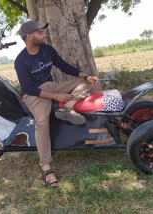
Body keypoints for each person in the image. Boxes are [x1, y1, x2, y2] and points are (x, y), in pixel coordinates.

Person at [14, 21, 99, 188]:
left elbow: (64, 66)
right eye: (40, 33)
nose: (44, 35)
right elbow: (28, 88)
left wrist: (86, 76)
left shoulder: (47, 50)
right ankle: (46, 165)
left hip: (51, 86)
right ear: (29, 36)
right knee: (42, 123)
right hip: (35, 94)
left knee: (86, 82)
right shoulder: (20, 60)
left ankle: (68, 108)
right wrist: (56, 95)